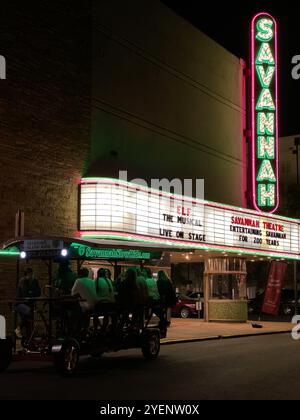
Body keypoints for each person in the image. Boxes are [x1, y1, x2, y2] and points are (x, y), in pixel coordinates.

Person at [15, 268, 41, 338]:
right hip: (20, 303)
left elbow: (39, 292)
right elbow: (25, 294)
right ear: (27, 274)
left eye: (32, 274)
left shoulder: (35, 281)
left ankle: (27, 336)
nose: (32, 275)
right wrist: (33, 292)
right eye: (30, 274)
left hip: (29, 304)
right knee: (29, 314)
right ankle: (19, 328)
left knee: (27, 318)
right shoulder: (23, 281)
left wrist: (31, 292)